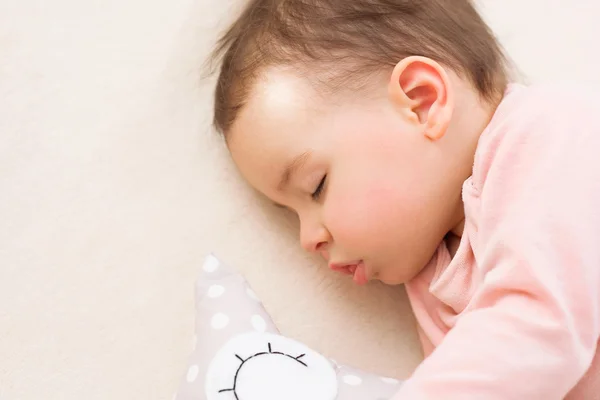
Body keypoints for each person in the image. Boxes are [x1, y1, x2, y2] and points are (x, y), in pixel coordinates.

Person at [208, 0, 600, 398]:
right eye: (292, 215)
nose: (308, 238)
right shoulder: (430, 277)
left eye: (316, 187)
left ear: (422, 102)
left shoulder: (550, 134)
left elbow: (544, 323)